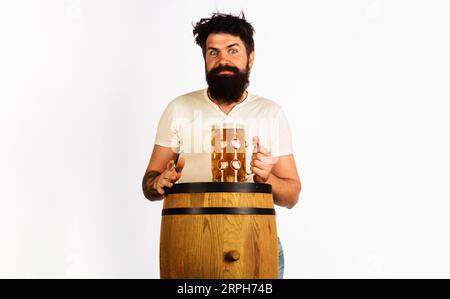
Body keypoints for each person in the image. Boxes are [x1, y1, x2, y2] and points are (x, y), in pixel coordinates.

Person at [142, 12, 301, 279]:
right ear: (204, 58)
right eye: (213, 52)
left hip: (256, 244)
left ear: (250, 58)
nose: (222, 60)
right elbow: (148, 185)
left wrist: (267, 178)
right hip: (189, 244)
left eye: (232, 50)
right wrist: (159, 182)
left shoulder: (270, 113)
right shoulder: (179, 108)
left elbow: (292, 195)